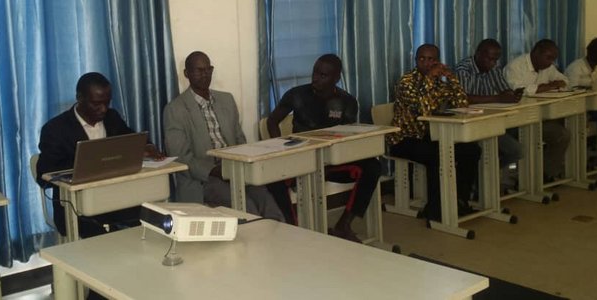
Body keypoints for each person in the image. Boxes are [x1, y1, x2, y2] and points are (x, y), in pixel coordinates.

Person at [266, 54, 381, 242]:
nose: (315, 78)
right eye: (315, 72)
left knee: (373, 166)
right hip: (302, 159)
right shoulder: (296, 94)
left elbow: (349, 134)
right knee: (272, 177)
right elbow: (272, 121)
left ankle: (344, 224)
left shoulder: (348, 102)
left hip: (334, 161)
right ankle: (292, 226)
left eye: (323, 75)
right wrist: (280, 146)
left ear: (336, 78)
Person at [36, 72, 163, 239]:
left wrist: (146, 146)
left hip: (115, 198)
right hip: (75, 207)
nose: (103, 109)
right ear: (79, 98)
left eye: (107, 102)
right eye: (96, 104)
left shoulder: (112, 118)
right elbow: (43, 175)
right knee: (102, 240)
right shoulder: (55, 129)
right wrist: (83, 165)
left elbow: (131, 139)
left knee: (151, 218)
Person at [164, 51, 284, 221]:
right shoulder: (175, 110)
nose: (205, 74)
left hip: (235, 168)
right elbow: (181, 158)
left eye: (208, 69)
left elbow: (240, 140)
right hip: (204, 178)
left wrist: (239, 164)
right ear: (186, 74)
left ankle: (281, 243)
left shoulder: (226, 100)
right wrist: (215, 171)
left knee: (267, 201)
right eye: (199, 70)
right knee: (247, 207)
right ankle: (257, 245)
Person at [386, 44, 480, 222]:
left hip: (430, 137)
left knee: (472, 150)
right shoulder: (406, 81)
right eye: (422, 59)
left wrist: (451, 78)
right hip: (404, 139)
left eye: (431, 59)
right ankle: (436, 210)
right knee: (438, 155)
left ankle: (460, 200)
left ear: (437, 61)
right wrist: (430, 78)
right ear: (416, 60)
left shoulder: (439, 82)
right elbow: (423, 108)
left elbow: (461, 103)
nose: (426, 63)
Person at [455, 39, 523, 192]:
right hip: (468, 124)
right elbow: (464, 98)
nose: (493, 63)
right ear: (478, 54)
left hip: (489, 122)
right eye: (490, 58)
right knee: (482, 152)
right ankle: (480, 185)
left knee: (516, 150)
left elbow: (503, 89)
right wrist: (498, 98)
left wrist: (511, 95)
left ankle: (488, 179)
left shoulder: (493, 68)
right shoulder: (464, 68)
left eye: (495, 59)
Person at [504, 39, 571, 181]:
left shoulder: (548, 67)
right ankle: (527, 177)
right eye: (548, 57)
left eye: (553, 59)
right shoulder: (516, 66)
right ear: (536, 52)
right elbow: (520, 91)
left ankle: (546, 174)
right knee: (557, 133)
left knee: (563, 133)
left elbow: (565, 81)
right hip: (516, 121)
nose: (550, 62)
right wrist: (550, 86)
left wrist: (549, 85)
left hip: (539, 117)